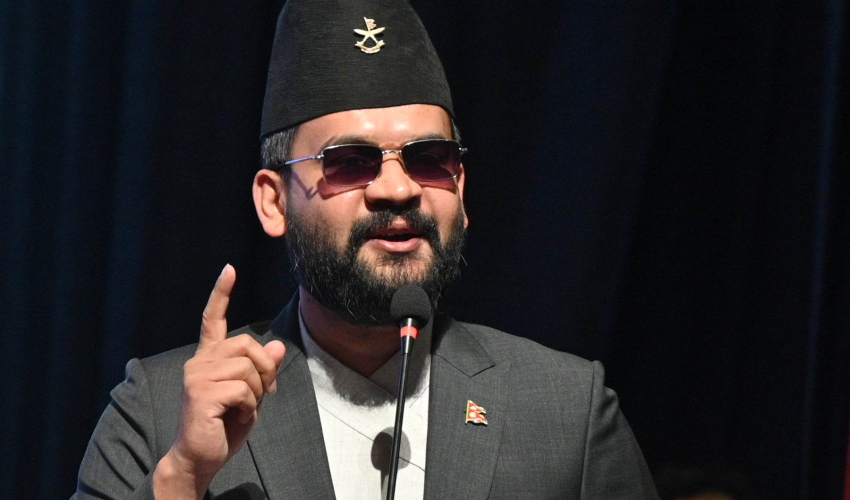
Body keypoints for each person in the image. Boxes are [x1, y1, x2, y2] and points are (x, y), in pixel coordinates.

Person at [73, 0, 659, 498]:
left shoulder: (566, 411)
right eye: (350, 162)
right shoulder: (161, 412)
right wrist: (182, 476)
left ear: (460, 189)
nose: (397, 189)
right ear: (274, 202)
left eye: (429, 159)